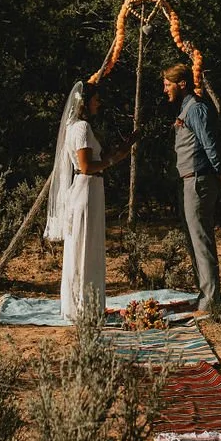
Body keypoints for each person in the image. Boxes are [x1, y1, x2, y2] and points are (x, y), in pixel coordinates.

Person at [44, 80, 132, 321]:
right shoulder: (81, 127)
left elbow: (99, 159)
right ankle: (84, 306)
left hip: (92, 188)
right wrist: (111, 162)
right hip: (87, 188)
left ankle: (84, 304)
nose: (99, 103)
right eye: (96, 99)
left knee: (86, 246)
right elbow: (85, 166)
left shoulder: (79, 127)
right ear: (85, 102)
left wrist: (122, 149)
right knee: (85, 248)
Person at [162, 61, 221, 317]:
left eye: (168, 84)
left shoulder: (196, 109)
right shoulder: (185, 108)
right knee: (192, 240)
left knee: (201, 240)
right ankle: (203, 295)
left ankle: (211, 301)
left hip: (199, 180)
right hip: (188, 180)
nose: (165, 89)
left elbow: (209, 143)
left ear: (182, 84)